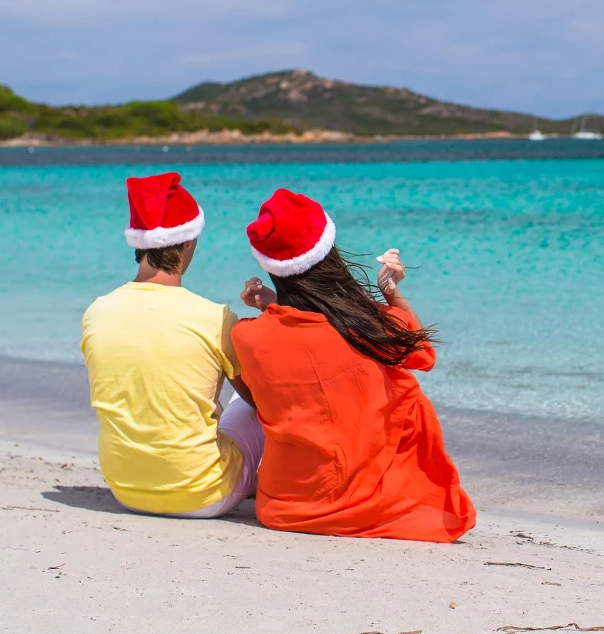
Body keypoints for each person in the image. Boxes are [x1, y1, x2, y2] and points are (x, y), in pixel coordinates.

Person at [232, 188, 475, 542]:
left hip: (284, 507)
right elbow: (423, 355)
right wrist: (391, 292)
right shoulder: (369, 325)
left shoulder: (247, 336)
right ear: (329, 255)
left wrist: (271, 309)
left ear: (272, 269)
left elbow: (293, 354)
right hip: (370, 505)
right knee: (404, 389)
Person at [81, 172, 263, 518]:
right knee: (244, 402)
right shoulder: (215, 317)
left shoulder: (97, 312)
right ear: (189, 242)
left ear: (138, 245)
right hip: (203, 494)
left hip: (126, 490)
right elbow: (262, 402)